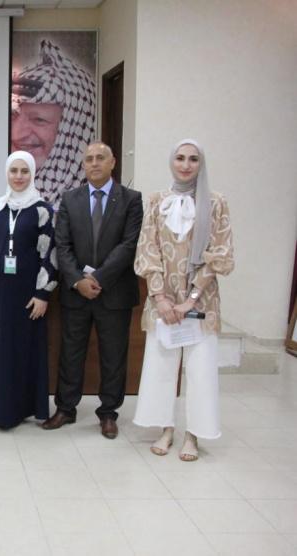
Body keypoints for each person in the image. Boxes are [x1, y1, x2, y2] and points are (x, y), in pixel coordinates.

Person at [133, 139, 234, 462]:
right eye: (180, 158)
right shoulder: (156, 201)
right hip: (163, 301)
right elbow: (148, 249)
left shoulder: (215, 203)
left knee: (200, 371)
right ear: (171, 162)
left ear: (201, 164)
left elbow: (220, 253)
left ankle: (193, 434)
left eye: (193, 159)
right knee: (162, 367)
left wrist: (191, 299)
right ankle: (166, 428)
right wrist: (160, 297)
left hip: (200, 303)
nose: (186, 165)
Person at [44, 142, 143, 439]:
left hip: (114, 291)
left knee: (113, 355)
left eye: (101, 158)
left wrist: (97, 278)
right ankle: (65, 408)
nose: (95, 163)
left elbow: (129, 244)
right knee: (70, 353)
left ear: (113, 162)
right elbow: (62, 245)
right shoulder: (70, 198)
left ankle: (108, 413)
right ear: (83, 165)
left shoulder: (131, 199)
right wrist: (78, 280)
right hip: (77, 292)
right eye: (89, 159)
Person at [0, 151, 58, 429]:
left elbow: (50, 254)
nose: (19, 176)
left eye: (24, 171)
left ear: (32, 174)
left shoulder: (42, 210)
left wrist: (43, 294)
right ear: (6, 174)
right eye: (14, 171)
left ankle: (15, 410)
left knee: (19, 350)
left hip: (26, 296)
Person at [11, 39, 96, 209]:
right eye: (14, 116)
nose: (16, 134)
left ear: (73, 130)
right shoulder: (6, 204)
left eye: (38, 120)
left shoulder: (91, 204)